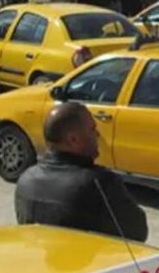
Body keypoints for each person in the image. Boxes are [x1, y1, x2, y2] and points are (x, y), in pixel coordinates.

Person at [15, 103, 148, 242]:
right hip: (86, 262)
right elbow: (137, 232)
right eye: (92, 129)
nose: (97, 134)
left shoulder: (26, 179)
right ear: (74, 140)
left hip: (42, 262)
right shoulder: (98, 184)